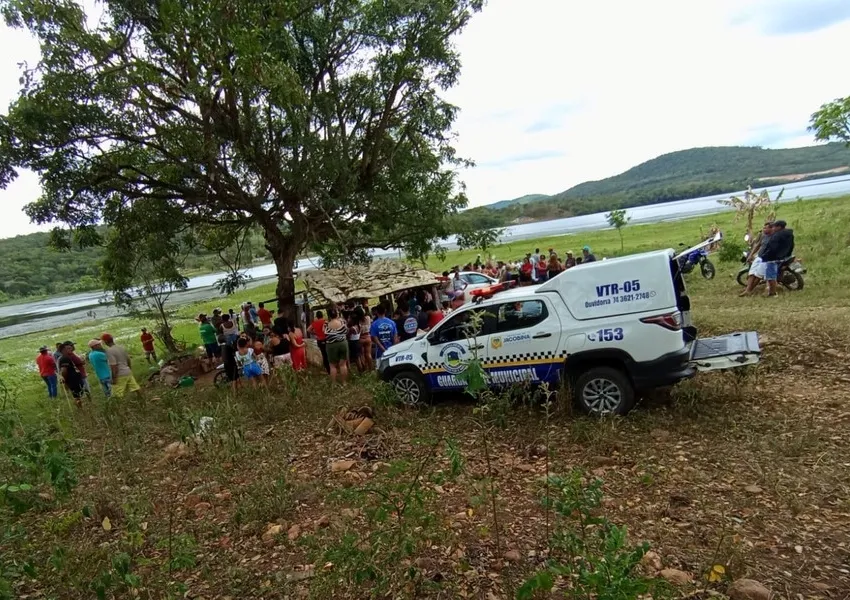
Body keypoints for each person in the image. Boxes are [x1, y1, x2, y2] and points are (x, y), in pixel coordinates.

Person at [759, 220, 795, 298]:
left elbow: (772, 248)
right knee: (774, 275)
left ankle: (772, 293)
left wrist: (765, 255)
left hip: (773, 258)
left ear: (779, 227)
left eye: (774, 226)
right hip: (784, 257)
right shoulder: (789, 234)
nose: (773, 228)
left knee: (771, 277)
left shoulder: (776, 236)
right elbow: (792, 246)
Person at [101, 333, 142, 399]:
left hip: (120, 374)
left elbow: (113, 366)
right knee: (136, 388)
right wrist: (129, 369)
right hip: (127, 371)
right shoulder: (121, 347)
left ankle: (118, 408)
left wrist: (114, 378)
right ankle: (142, 401)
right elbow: (128, 360)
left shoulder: (109, 351)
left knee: (116, 395)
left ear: (105, 342)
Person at [740, 221, 773, 297]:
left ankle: (751, 290)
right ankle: (748, 290)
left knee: (758, 275)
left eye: (765, 228)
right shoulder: (763, 235)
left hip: (767, 258)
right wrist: (751, 255)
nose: (763, 229)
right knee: (752, 273)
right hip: (759, 256)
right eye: (763, 227)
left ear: (771, 228)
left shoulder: (774, 237)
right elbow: (758, 245)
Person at [323, 309, 349, 384]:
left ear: (329, 315)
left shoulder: (326, 324)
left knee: (332, 366)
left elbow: (324, 332)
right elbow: (346, 331)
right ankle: (344, 382)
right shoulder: (342, 322)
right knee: (343, 364)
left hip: (331, 345)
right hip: (342, 343)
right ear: (337, 314)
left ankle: (333, 384)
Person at [57, 342, 85, 407]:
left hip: (75, 380)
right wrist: (64, 380)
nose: (70, 350)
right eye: (67, 349)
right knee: (77, 396)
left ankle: (81, 407)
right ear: (63, 350)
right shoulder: (64, 358)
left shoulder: (67, 357)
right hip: (73, 381)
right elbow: (64, 370)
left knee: (79, 395)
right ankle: (81, 408)